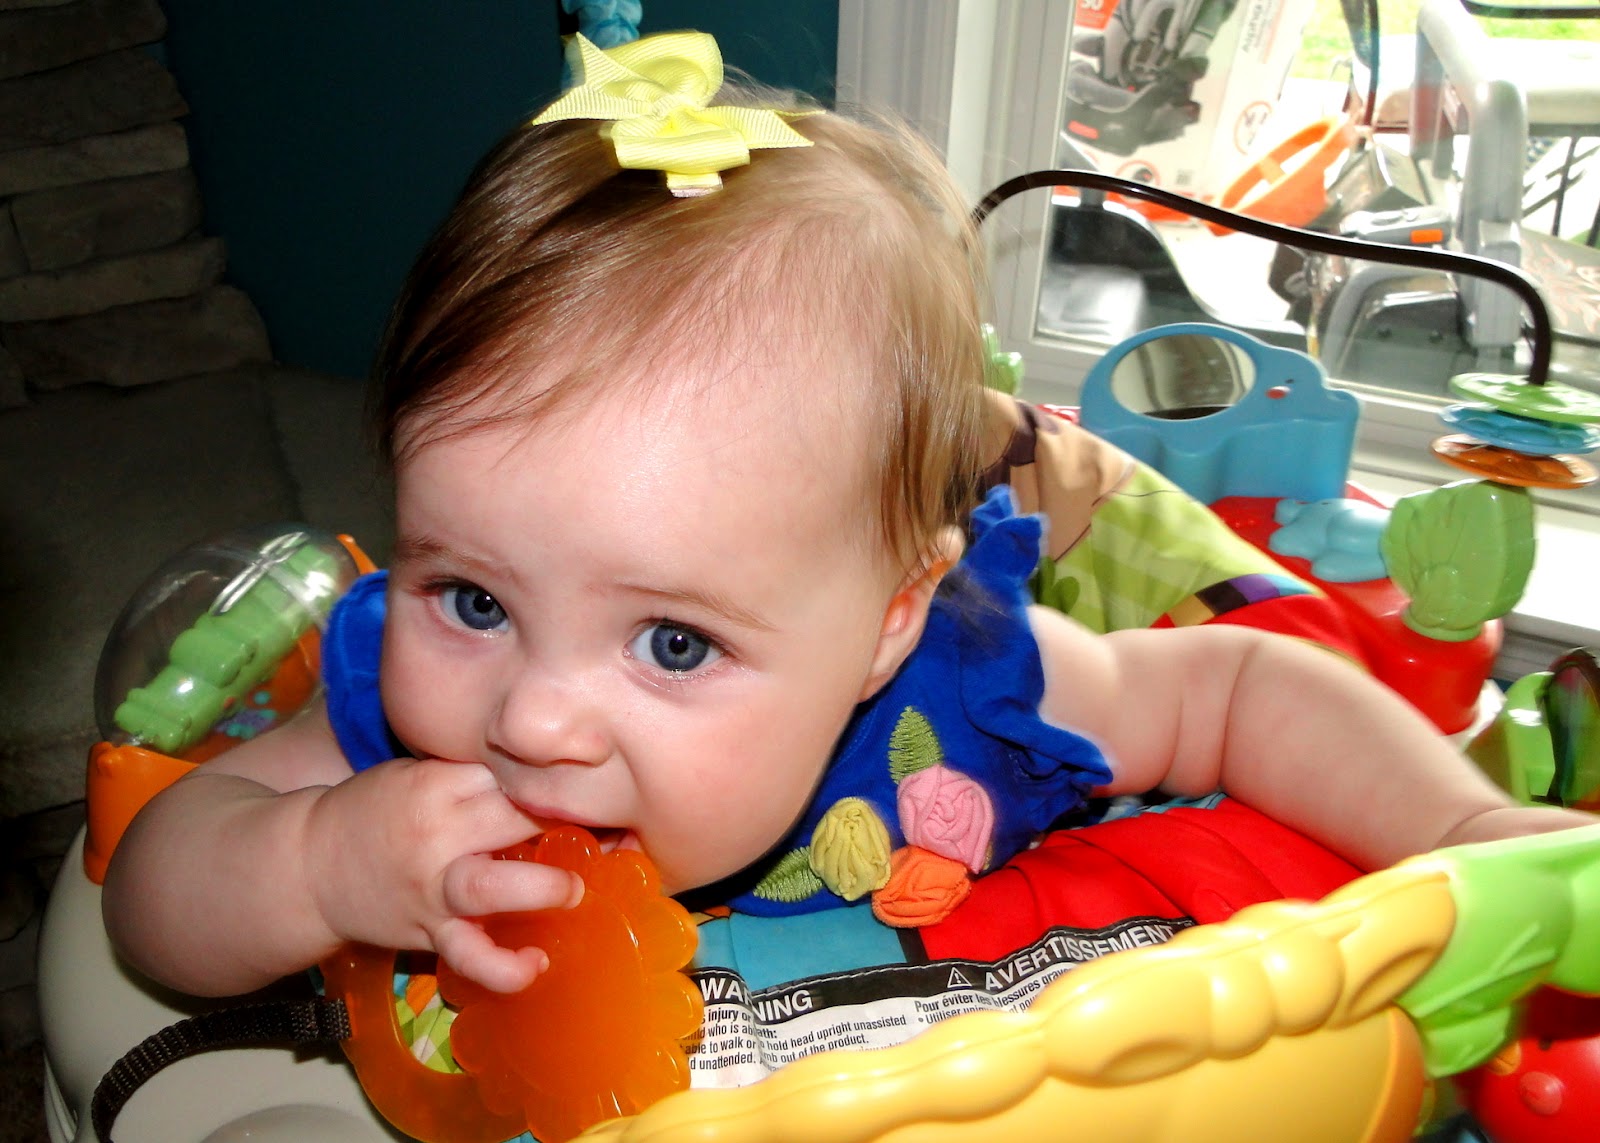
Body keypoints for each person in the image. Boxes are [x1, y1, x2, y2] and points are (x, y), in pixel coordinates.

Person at [104, 31, 1593, 1007]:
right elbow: (152, 893)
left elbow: (1240, 684)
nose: (535, 720)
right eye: (477, 600)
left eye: (673, 641)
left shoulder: (966, 693)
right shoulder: (412, 734)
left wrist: (1462, 829)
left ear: (883, 626)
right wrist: (320, 865)